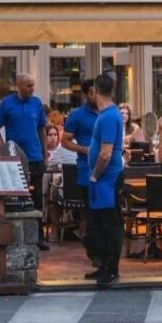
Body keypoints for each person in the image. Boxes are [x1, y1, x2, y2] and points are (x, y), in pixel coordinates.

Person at [0, 73, 48, 250]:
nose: (32, 89)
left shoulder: (37, 103)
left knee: (37, 198)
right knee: (17, 197)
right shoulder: (6, 104)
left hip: (35, 156)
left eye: (33, 85)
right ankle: (17, 235)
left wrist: (45, 152)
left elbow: (42, 128)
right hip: (15, 158)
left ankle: (39, 237)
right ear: (18, 86)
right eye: (28, 86)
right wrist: (5, 149)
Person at [88, 74, 124, 287]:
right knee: (100, 223)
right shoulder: (106, 114)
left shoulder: (109, 116)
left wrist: (95, 174)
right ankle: (104, 265)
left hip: (107, 178)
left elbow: (105, 153)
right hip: (103, 178)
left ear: (94, 90)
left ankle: (112, 269)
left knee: (111, 224)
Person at [62, 79, 99, 267]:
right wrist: (84, 150)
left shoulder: (108, 112)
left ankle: (96, 246)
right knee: (91, 212)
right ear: (86, 94)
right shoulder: (77, 115)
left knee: (105, 212)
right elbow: (65, 141)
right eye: (92, 92)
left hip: (107, 169)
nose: (96, 95)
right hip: (86, 169)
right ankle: (94, 251)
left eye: (98, 91)